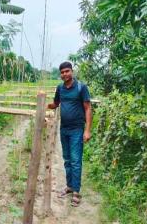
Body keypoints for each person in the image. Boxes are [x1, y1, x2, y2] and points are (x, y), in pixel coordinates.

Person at [47, 61, 92, 207]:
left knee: (75, 161)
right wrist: (44, 104)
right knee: (67, 159)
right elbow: (56, 104)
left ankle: (77, 192)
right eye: (62, 72)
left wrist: (87, 130)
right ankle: (70, 186)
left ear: (72, 71)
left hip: (77, 130)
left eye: (67, 71)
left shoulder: (81, 87)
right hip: (64, 129)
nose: (64, 74)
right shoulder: (60, 88)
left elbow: (87, 108)